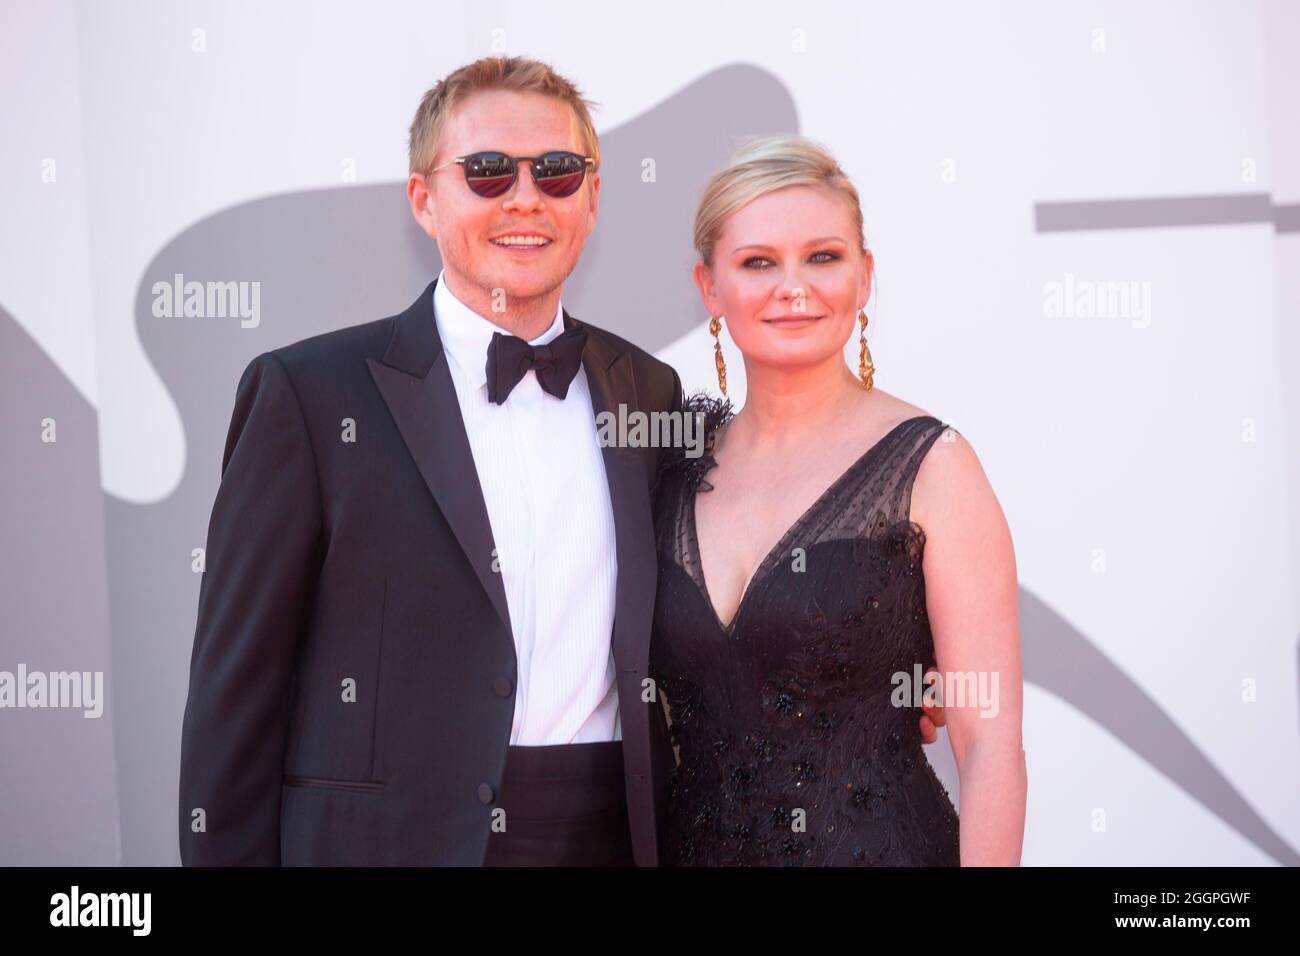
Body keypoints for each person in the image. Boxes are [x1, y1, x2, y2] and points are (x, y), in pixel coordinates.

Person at [178, 56, 942, 867]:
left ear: (591, 199)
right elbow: (234, 702)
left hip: (608, 839)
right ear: (423, 200)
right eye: (485, 172)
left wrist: (891, 666)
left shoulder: (649, 394)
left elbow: (727, 588)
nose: (524, 199)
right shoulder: (309, 396)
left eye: (556, 172)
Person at [649, 135, 1026, 865]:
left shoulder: (933, 467)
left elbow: (990, 746)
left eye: (824, 256)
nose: (794, 286)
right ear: (709, 288)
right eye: (758, 262)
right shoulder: (668, 465)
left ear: (864, 276)